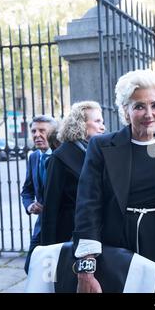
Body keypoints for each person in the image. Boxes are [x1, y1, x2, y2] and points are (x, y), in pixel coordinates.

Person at [73, 69, 155, 293]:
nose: (149, 113)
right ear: (125, 111)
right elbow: (88, 206)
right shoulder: (102, 147)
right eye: (139, 106)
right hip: (116, 245)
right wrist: (86, 267)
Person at [41, 101, 105, 246]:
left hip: (99, 231)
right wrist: (48, 247)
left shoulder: (99, 152)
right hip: (70, 234)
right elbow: (51, 206)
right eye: (97, 121)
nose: (103, 126)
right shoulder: (61, 156)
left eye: (102, 121)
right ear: (81, 124)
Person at [21, 115, 58, 273]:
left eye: (42, 130)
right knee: (30, 266)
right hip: (41, 225)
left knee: (55, 271)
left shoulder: (62, 155)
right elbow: (27, 189)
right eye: (33, 131)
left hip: (61, 224)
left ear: (53, 132)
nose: (37, 135)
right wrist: (29, 205)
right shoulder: (34, 157)